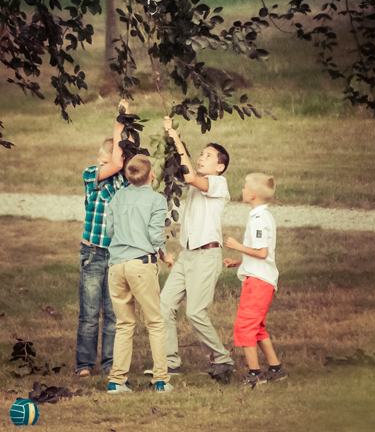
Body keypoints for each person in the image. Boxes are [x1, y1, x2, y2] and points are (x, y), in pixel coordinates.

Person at [157, 116, 236, 380]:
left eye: (208, 156)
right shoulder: (198, 183)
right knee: (164, 304)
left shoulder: (218, 184)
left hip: (206, 255)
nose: (202, 158)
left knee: (194, 312)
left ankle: (222, 359)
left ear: (220, 166)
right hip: (187, 256)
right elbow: (184, 171)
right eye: (200, 154)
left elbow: (189, 175)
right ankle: (170, 362)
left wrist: (175, 135)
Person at [104, 154, 176, 394]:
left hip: (116, 266)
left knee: (124, 324)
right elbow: (156, 236)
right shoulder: (156, 200)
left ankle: (117, 381)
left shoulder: (117, 196)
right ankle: (161, 381)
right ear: (152, 175)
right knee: (155, 322)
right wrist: (165, 255)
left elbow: (110, 230)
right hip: (140, 264)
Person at [75, 99, 130, 377]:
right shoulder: (91, 175)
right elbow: (118, 160)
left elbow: (124, 161)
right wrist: (119, 121)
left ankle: (109, 362)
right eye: (99, 157)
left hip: (116, 255)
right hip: (93, 253)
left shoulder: (123, 182)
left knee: (112, 313)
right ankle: (84, 364)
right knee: (89, 313)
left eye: (103, 158)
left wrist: (126, 127)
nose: (99, 161)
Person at [223, 173, 286, 386]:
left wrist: (237, 245)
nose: (241, 190)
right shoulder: (260, 216)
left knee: (245, 326)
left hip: (259, 282)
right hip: (260, 278)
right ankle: (275, 368)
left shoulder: (259, 219)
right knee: (257, 327)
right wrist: (239, 261)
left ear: (252, 194)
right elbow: (258, 255)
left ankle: (255, 374)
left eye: (244, 187)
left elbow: (261, 253)